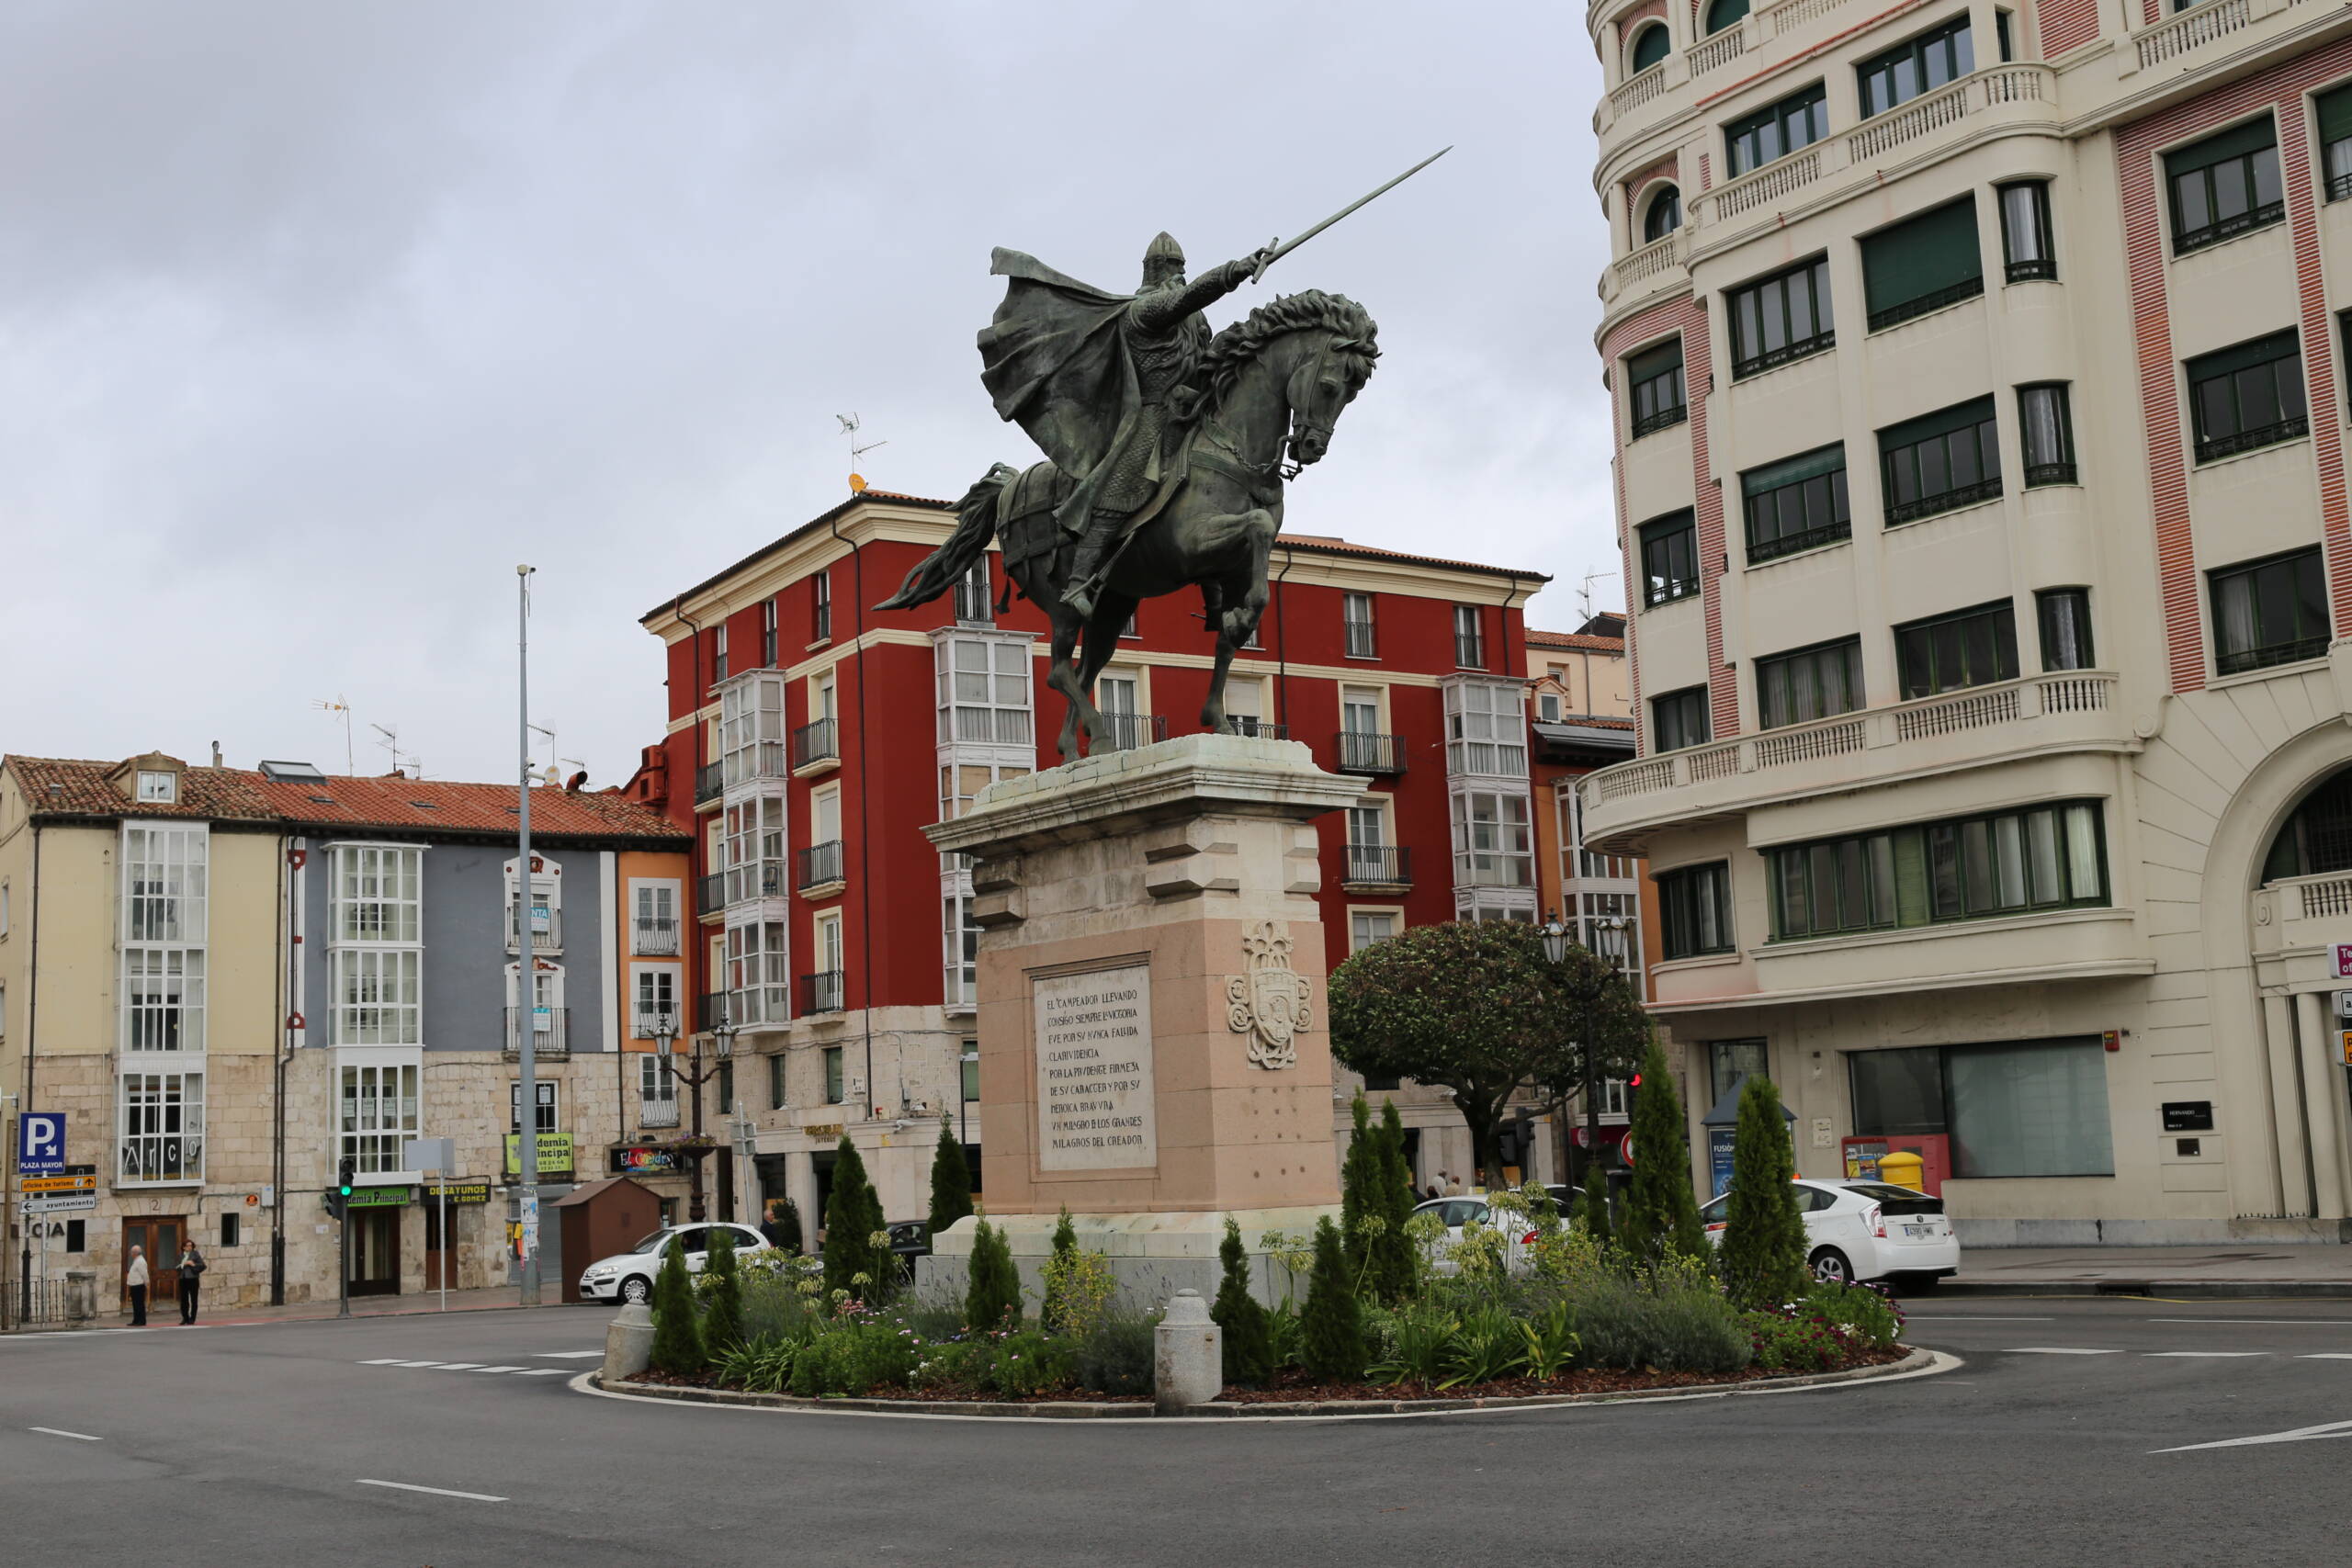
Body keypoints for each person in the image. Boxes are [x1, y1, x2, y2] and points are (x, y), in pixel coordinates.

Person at [177, 1240, 208, 1325]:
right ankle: (185, 1318)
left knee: (194, 1300)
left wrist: (192, 1264)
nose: (189, 1247)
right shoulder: (180, 1255)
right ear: (183, 1247)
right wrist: (184, 1264)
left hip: (193, 1279)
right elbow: (177, 1268)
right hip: (183, 1279)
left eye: (191, 1245)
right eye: (187, 1246)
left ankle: (192, 1318)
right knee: (184, 1300)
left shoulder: (196, 1254)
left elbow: (203, 1266)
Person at [125, 1245, 149, 1325]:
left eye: (131, 1252)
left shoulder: (140, 1261)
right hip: (134, 1285)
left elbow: (144, 1274)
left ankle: (141, 1321)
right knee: (135, 1304)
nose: (130, 1253)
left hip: (139, 1285)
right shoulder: (136, 1260)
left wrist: (147, 1284)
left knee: (139, 1304)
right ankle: (136, 1320)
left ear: (135, 1253)